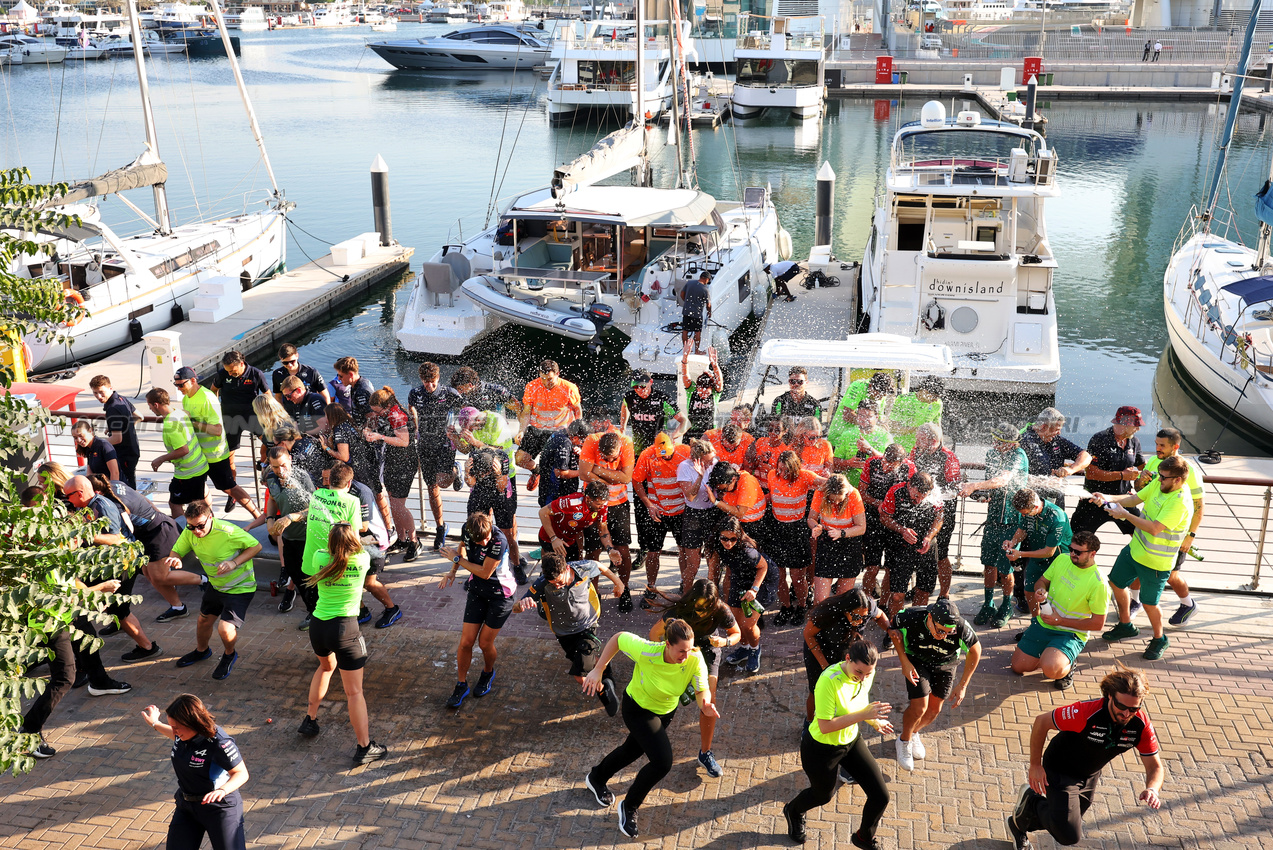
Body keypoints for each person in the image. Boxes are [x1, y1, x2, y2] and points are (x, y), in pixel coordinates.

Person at [582, 620, 717, 839]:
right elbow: (618, 637)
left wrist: (705, 704)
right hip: (637, 709)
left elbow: (702, 689)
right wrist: (598, 670)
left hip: (664, 712)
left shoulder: (694, 657)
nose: (686, 655)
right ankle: (629, 806)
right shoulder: (647, 651)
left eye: (690, 649)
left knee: (632, 750)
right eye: (681, 651)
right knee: (662, 762)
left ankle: (596, 777)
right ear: (667, 644)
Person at [1006, 665, 1163, 850]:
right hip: (1060, 768)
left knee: (1064, 822)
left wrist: (1152, 789)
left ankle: (1019, 823)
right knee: (1068, 834)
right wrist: (1035, 765)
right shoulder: (1086, 712)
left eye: (1133, 708)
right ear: (1110, 696)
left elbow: (1155, 767)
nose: (1126, 714)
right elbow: (1041, 722)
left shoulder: (1140, 725)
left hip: (1089, 774)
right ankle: (1031, 800)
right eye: (1121, 706)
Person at [782, 639, 893, 848]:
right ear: (848, 659)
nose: (862, 678)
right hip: (821, 748)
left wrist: (873, 720)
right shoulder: (828, 680)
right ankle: (793, 811)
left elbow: (858, 703)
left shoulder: (867, 672)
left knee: (880, 796)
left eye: (868, 674)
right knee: (823, 795)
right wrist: (864, 715)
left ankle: (863, 837)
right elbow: (824, 726)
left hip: (851, 741)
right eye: (859, 672)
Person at [299, 522, 388, 765]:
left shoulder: (319, 557)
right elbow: (362, 548)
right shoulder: (360, 560)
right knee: (354, 692)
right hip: (345, 630)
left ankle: (310, 719)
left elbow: (320, 561)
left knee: (326, 668)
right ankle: (364, 747)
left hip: (318, 626)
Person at [1095, 454, 1193, 661]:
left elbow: (1155, 529)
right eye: (1159, 475)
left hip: (1156, 563)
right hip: (1134, 551)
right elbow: (1134, 499)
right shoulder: (1161, 485)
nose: (1159, 480)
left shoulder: (1180, 502)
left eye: (1163, 477)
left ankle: (1160, 638)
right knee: (1116, 583)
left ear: (1177, 479)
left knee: (1149, 603)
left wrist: (1125, 515)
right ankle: (1125, 626)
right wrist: (1107, 497)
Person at [650, 580, 741, 780]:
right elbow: (654, 634)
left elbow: (737, 634)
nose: (702, 612)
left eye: (707, 607)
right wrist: (669, 654)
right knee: (665, 695)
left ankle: (705, 753)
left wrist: (725, 641)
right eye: (698, 607)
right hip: (683, 652)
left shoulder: (721, 609)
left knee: (709, 700)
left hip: (708, 650)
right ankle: (650, 739)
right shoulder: (679, 611)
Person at [514, 553, 625, 713]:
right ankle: (605, 669)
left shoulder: (582, 568)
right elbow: (515, 608)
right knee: (584, 660)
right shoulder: (542, 583)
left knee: (580, 676)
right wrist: (522, 604)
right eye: (553, 584)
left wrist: (619, 583)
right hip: (563, 633)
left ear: (567, 568)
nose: (557, 586)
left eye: (559, 581)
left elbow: (600, 566)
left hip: (587, 626)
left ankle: (603, 689)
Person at [67, 475, 162, 661]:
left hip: (124, 564)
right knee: (111, 606)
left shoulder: (102, 506)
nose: (67, 499)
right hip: (111, 564)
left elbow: (115, 539)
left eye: (68, 496)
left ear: (79, 493)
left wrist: (82, 534)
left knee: (119, 610)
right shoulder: (87, 505)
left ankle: (148, 647)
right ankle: (115, 620)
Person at [164, 500, 261, 680]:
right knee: (203, 622)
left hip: (240, 588)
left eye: (200, 526)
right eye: (191, 526)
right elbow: (176, 551)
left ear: (211, 517)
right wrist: (175, 559)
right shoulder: (190, 532)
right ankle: (202, 651)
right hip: (216, 586)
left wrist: (234, 563)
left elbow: (256, 546)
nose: (196, 531)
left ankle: (229, 654)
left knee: (225, 628)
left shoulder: (228, 531)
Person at [141, 694, 249, 850]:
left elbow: (241, 773)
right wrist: (155, 723)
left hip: (219, 808)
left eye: (177, 727)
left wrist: (222, 790)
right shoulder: (182, 735)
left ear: (192, 723)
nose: (174, 731)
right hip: (187, 806)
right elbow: (174, 735)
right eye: (171, 726)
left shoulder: (219, 742)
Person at [887, 598, 981, 772]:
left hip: (946, 664)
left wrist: (963, 685)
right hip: (917, 661)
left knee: (934, 710)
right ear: (930, 617)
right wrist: (904, 661)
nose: (943, 635)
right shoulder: (910, 616)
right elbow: (892, 628)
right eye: (940, 631)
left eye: (948, 632)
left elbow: (976, 651)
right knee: (919, 707)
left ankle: (914, 732)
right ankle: (904, 741)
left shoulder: (960, 627)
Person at [1010, 531, 1108, 691]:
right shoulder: (1062, 559)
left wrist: (1060, 621)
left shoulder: (1099, 584)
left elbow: (1098, 624)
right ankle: (1051, 652)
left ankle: (1067, 664)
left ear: (1093, 554)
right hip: (1044, 624)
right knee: (1017, 667)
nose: (1073, 554)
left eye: (1078, 552)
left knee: (1051, 669)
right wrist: (1040, 590)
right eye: (1071, 549)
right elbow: (1041, 581)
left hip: (1070, 632)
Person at [439, 512, 518, 708]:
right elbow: (463, 546)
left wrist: (457, 559)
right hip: (477, 592)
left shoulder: (499, 541)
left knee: (484, 643)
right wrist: (452, 571)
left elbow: (484, 572)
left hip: (501, 595)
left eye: (486, 539)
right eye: (480, 541)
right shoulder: (468, 530)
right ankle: (461, 684)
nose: (484, 544)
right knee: (466, 642)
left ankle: (487, 672)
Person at [959, 423, 1029, 629]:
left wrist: (974, 485)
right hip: (992, 520)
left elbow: (1002, 479)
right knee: (988, 564)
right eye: (994, 440)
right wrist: (983, 495)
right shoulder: (991, 454)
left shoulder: (1019, 455)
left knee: (1005, 568)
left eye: (1000, 442)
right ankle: (988, 603)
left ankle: (1006, 605)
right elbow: (991, 484)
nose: (995, 444)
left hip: (1012, 521)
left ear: (1012, 443)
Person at [99, 475, 189, 629]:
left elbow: (127, 528)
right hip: (149, 532)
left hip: (157, 534)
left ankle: (203, 581)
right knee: (149, 574)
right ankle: (178, 607)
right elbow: (144, 499)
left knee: (159, 576)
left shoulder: (113, 502)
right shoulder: (114, 485)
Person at [1136, 427, 1204, 626]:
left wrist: (1190, 536)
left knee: (1172, 575)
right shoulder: (1153, 461)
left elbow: (1199, 506)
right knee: (1138, 564)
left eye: (1162, 445)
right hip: (1151, 528)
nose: (1157, 449)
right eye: (1156, 444)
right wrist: (1141, 481)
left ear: (1176, 446)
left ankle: (1188, 604)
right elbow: (1140, 490)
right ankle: (1135, 601)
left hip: (1175, 534)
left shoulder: (1188, 470)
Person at [174, 367, 260, 519]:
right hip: (198, 455)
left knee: (229, 487)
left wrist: (192, 423)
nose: (179, 388)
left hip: (215, 455)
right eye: (176, 385)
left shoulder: (207, 398)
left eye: (181, 384)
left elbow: (217, 430)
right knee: (198, 491)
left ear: (193, 381)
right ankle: (208, 520)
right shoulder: (187, 398)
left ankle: (258, 515)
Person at [246, 446, 314, 618]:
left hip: (307, 537)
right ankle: (312, 610)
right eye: (275, 466)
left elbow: (315, 509)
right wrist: (270, 519)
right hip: (288, 537)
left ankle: (314, 613)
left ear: (290, 459)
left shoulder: (302, 478)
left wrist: (292, 517)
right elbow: (273, 500)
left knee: (309, 578)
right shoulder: (270, 477)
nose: (280, 470)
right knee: (294, 573)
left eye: (283, 465)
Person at [632, 432, 692, 609]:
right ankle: (651, 587)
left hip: (681, 510)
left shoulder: (685, 451)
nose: (665, 457)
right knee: (653, 552)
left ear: (674, 445)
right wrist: (648, 503)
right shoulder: (647, 454)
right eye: (661, 454)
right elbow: (636, 481)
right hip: (657, 510)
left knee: (685, 550)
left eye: (668, 454)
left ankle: (684, 583)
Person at [767, 449, 827, 625]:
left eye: (786, 470)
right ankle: (786, 607)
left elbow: (829, 484)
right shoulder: (772, 475)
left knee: (797, 576)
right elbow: (773, 495)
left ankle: (801, 606)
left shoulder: (805, 476)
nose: (782, 474)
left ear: (795, 469)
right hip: (777, 528)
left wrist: (818, 511)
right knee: (777, 575)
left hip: (797, 529)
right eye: (780, 469)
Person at [408, 361, 463, 550]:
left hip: (445, 443)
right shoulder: (415, 393)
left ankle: (456, 470)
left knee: (443, 482)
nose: (429, 385)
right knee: (432, 487)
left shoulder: (449, 393)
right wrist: (415, 427)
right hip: (425, 444)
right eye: (425, 381)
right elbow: (411, 408)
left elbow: (466, 411)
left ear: (438, 378)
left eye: (432, 381)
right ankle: (441, 527)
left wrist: (457, 429)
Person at [579, 428, 636, 609]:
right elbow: (582, 474)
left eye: (614, 459)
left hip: (619, 503)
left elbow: (626, 478)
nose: (611, 462)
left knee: (623, 550)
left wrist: (597, 469)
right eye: (606, 458)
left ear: (619, 449)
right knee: (593, 552)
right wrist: (612, 478)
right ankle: (593, 594)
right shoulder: (590, 440)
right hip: (593, 505)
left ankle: (624, 589)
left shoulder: (626, 442)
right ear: (599, 449)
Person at [708, 516, 770, 674]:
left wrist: (754, 589)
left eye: (732, 539)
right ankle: (744, 648)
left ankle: (755, 650)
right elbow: (713, 569)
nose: (728, 542)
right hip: (740, 578)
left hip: (761, 580)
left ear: (739, 537)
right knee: (734, 621)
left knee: (748, 625)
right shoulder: (717, 546)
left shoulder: (748, 551)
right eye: (724, 538)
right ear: (719, 536)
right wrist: (710, 593)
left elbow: (763, 567)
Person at [1070, 406, 1144, 537]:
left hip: (1123, 499)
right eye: (1136, 425)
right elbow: (1091, 473)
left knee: (1142, 534)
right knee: (1078, 539)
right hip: (1095, 500)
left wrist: (1146, 476)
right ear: (1124, 424)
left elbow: (1142, 466)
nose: (1138, 429)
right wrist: (1122, 475)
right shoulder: (1100, 439)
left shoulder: (1134, 441)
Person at [320, 402, 392, 538]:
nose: (326, 419)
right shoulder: (351, 424)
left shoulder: (339, 430)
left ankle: (374, 533)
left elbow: (344, 456)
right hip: (368, 466)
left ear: (332, 416)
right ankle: (388, 529)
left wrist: (327, 448)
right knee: (378, 496)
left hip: (357, 472)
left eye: (326, 415)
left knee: (365, 501)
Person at [879, 471, 944, 616]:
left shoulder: (935, 494)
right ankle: (894, 627)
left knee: (923, 591)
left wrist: (929, 536)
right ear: (909, 485)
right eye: (916, 496)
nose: (919, 500)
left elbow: (939, 517)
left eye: (923, 497)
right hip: (901, 547)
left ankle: (915, 624)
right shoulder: (895, 491)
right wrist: (902, 530)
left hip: (927, 545)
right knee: (897, 595)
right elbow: (884, 517)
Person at [365, 387, 420, 560]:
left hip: (404, 463)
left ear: (386, 406)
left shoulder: (396, 415)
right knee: (394, 504)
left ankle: (414, 541)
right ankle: (402, 539)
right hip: (393, 461)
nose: (377, 415)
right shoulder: (390, 412)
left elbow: (404, 441)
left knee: (398, 506)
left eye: (378, 412)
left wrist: (379, 437)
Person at [1006, 487, 1072, 626]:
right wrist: (1012, 542)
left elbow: (1049, 552)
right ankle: (1036, 623)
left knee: (1055, 596)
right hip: (1037, 557)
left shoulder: (1057, 517)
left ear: (1036, 506)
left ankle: (1057, 626)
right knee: (1029, 590)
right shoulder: (1027, 511)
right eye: (1021, 514)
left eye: (1026, 513)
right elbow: (1022, 530)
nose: (1024, 516)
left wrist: (1021, 554)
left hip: (1058, 560)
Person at [909, 422, 960, 598]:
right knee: (920, 548)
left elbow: (954, 488)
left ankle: (944, 594)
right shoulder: (916, 451)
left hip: (944, 511)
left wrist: (933, 494)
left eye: (920, 438)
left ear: (932, 440)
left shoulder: (948, 457)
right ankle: (921, 588)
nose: (916, 441)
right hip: (922, 508)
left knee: (941, 553)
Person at [857, 444, 915, 599]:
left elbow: (913, 498)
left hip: (894, 523)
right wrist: (879, 504)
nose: (885, 466)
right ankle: (866, 602)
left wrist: (890, 509)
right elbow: (861, 492)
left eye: (891, 464)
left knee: (891, 568)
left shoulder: (909, 469)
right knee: (872, 567)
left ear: (901, 463)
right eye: (884, 461)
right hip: (874, 519)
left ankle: (884, 603)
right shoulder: (872, 463)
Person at [210, 350, 269, 497]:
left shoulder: (256, 374)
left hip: (252, 417)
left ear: (241, 364)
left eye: (233, 371)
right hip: (230, 419)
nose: (230, 373)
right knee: (229, 456)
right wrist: (216, 410)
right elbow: (213, 391)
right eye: (227, 371)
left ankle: (265, 472)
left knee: (270, 444)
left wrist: (268, 415)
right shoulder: (223, 374)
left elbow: (268, 396)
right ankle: (233, 491)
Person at [147, 387, 210, 518]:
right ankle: (209, 525)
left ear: (156, 404)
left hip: (188, 472)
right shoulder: (179, 413)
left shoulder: (170, 424)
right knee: (198, 504)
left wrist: (161, 459)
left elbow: (183, 450)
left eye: (150, 406)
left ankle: (181, 532)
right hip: (199, 465)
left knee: (175, 503)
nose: (150, 409)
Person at [808, 474, 867, 603]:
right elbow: (811, 518)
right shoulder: (820, 493)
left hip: (849, 543)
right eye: (832, 500)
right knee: (820, 599)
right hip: (827, 541)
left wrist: (841, 533)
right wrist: (816, 527)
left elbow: (862, 528)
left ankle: (837, 622)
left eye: (839, 500)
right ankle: (823, 620)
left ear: (845, 494)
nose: (835, 503)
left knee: (842, 599)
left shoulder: (853, 495)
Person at [1019, 408, 1091, 510]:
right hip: (1032, 505)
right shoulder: (1024, 441)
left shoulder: (1057, 440)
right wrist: (1045, 482)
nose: (1059, 433)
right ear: (1044, 427)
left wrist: (1071, 469)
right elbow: (1016, 476)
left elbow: (1086, 456)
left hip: (1056, 505)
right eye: (1057, 429)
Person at [676, 438, 719, 592]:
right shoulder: (685, 467)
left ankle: (713, 598)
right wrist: (700, 476)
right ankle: (686, 600)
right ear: (696, 460)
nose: (711, 464)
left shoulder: (714, 462)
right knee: (693, 566)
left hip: (712, 514)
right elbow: (690, 496)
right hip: (693, 515)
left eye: (712, 459)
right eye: (707, 462)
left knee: (713, 563)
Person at [538, 481, 618, 563]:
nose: (602, 506)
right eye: (598, 504)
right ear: (587, 498)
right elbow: (543, 512)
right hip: (550, 538)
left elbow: (603, 530)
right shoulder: (571, 502)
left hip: (570, 540)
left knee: (573, 569)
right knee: (555, 569)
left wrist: (610, 549)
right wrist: (553, 538)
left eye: (603, 503)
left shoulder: (602, 506)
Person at [518, 359, 582, 461]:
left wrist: (577, 434)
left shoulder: (569, 388)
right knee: (520, 459)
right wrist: (521, 431)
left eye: (549, 379)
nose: (545, 382)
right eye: (542, 378)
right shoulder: (531, 387)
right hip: (537, 430)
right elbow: (526, 412)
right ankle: (536, 471)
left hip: (561, 431)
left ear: (557, 374)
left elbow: (578, 411)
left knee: (554, 463)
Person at [620, 369, 686, 456]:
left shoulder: (662, 399)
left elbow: (685, 422)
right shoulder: (629, 397)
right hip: (638, 451)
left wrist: (671, 436)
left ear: (650, 382)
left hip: (659, 451)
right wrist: (622, 428)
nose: (639, 389)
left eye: (642, 386)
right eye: (635, 386)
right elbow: (624, 406)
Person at [90, 375, 140, 489]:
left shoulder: (112, 408)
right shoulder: (121, 399)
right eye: (95, 393)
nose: (98, 396)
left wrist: (96, 444)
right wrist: (124, 427)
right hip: (133, 449)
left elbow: (117, 439)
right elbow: (139, 416)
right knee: (130, 484)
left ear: (110, 388)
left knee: (127, 488)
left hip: (124, 453)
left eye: (101, 392)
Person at [831, 401, 893, 488]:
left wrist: (870, 449)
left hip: (875, 487)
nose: (863, 419)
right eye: (860, 415)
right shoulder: (847, 434)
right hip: (850, 486)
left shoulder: (885, 436)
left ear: (876, 417)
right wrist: (848, 463)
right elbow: (834, 462)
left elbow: (890, 463)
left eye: (868, 416)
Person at [828, 372, 896, 450]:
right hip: (840, 437)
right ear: (870, 386)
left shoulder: (881, 392)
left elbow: (878, 419)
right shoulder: (858, 386)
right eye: (879, 395)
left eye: (884, 395)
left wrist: (883, 426)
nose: (881, 398)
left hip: (864, 441)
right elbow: (847, 415)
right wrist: (873, 423)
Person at [538, 419, 589, 507]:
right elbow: (560, 472)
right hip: (555, 494)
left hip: (548, 489)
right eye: (582, 441)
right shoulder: (565, 442)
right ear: (575, 437)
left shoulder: (560, 434)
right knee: (554, 518)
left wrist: (577, 455)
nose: (582, 444)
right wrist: (582, 472)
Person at [885, 377, 943, 453]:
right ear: (924, 391)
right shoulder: (903, 400)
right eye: (934, 396)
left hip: (924, 449)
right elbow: (893, 427)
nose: (935, 400)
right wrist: (917, 430)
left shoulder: (938, 404)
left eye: (938, 397)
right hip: (902, 448)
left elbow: (938, 427)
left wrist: (941, 448)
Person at [681, 348, 723, 440]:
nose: (703, 394)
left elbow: (719, 381)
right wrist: (685, 359)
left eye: (707, 392)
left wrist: (715, 366)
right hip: (691, 434)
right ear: (696, 387)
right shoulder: (691, 391)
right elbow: (685, 375)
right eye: (701, 391)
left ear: (711, 389)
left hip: (710, 435)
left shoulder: (715, 394)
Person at [451, 365, 518, 416]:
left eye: (460, 389)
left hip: (497, 431)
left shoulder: (496, 391)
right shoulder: (459, 397)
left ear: (470, 385)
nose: (459, 392)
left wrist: (521, 431)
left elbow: (519, 409)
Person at [333, 356, 375, 426]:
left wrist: (359, 433)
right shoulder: (357, 384)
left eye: (341, 376)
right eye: (338, 375)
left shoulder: (362, 391)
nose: (339, 378)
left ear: (350, 375)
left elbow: (372, 418)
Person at [679, 271, 713, 354]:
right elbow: (708, 304)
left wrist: (686, 302)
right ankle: (697, 350)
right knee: (697, 331)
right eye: (708, 280)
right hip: (696, 313)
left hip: (686, 311)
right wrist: (709, 312)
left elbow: (682, 294)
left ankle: (686, 350)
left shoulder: (690, 283)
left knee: (685, 330)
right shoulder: (705, 289)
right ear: (706, 279)